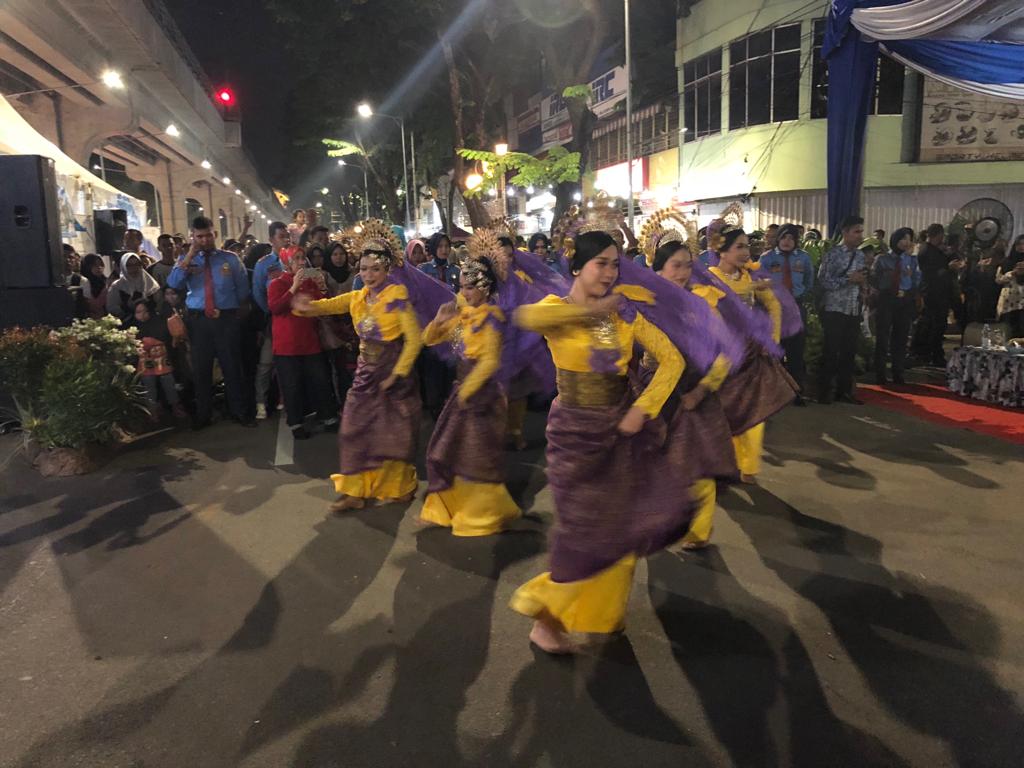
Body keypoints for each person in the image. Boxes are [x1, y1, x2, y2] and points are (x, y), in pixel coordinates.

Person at [508, 230, 690, 654]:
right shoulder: (556, 308)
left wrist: (641, 410)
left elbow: (672, 360)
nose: (610, 272)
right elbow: (526, 320)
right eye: (601, 263)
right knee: (582, 528)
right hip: (574, 431)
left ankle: (602, 614)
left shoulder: (625, 314)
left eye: (615, 264)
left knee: (620, 527)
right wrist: (591, 313)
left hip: (620, 431)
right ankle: (546, 618)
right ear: (576, 267)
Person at [294, 222, 424, 512]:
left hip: (394, 372)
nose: (368, 275)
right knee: (353, 429)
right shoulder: (357, 298)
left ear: (386, 269)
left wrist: (398, 374)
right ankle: (354, 490)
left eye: (374, 269)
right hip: (366, 373)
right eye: (363, 269)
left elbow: (414, 341)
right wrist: (308, 307)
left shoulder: (397, 297)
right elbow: (329, 305)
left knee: (394, 434)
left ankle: (400, 486)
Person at [420, 257, 521, 536]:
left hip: (483, 396)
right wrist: (438, 321)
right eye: (462, 287)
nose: (464, 293)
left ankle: (482, 514)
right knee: (447, 450)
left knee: (476, 456)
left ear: (486, 288)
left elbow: (489, 362)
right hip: (463, 393)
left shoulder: (492, 319)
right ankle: (448, 507)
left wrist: (467, 391)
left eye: (470, 288)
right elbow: (428, 340)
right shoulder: (464, 316)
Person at [649, 239, 737, 550]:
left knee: (697, 464)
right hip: (655, 393)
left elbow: (724, 354)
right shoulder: (643, 303)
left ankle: (699, 530)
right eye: (677, 264)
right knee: (657, 463)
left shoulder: (702, 306)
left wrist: (701, 390)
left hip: (692, 392)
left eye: (688, 264)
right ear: (658, 267)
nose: (684, 272)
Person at [709, 227, 790, 482]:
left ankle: (750, 465)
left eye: (747, 246)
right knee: (723, 412)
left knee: (754, 410)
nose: (746, 252)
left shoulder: (751, 277)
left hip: (751, 353)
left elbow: (774, 306)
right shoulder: (708, 278)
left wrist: (771, 339)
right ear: (721, 251)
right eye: (739, 247)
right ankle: (726, 460)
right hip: (720, 355)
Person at [166, 216, 255, 430]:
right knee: (201, 370)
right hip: (199, 323)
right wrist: (189, 256)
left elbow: (243, 290)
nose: (205, 240)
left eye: (208, 235)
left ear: (214, 234)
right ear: (193, 237)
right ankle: (203, 415)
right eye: (199, 237)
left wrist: (233, 313)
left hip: (226, 320)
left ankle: (238, 411)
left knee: (232, 366)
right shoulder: (187, 261)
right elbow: (173, 283)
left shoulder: (230, 259)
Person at [266, 246, 339, 440]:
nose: (301, 262)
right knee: (292, 385)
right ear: (286, 262)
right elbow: (275, 307)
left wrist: (322, 289)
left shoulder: (310, 281)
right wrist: (293, 288)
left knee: (320, 380)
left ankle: (328, 416)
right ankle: (296, 422)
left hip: (310, 341)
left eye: (302, 258)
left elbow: (321, 306)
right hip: (287, 345)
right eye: (296, 258)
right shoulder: (277, 283)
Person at [757, 223, 813, 405]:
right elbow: (757, 282)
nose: (787, 241)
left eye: (791, 238)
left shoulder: (803, 258)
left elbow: (809, 281)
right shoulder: (766, 258)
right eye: (784, 237)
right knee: (775, 352)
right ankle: (776, 396)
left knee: (796, 352)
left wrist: (800, 295)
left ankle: (796, 393)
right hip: (774, 310)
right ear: (778, 239)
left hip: (796, 308)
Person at [817, 215, 867, 405]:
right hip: (834, 309)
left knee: (849, 352)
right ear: (845, 233)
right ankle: (824, 392)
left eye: (861, 232)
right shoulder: (833, 254)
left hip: (853, 309)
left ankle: (844, 391)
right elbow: (823, 281)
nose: (860, 236)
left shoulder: (861, 255)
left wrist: (864, 288)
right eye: (856, 232)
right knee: (831, 351)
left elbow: (860, 279)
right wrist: (848, 280)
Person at [251, 221, 292, 419]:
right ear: (271, 240)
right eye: (281, 236)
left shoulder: (298, 258)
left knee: (292, 361)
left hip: (297, 318)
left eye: (287, 235)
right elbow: (258, 292)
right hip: (275, 319)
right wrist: (271, 310)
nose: (286, 239)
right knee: (266, 363)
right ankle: (261, 402)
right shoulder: (264, 264)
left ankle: (289, 399)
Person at [871, 228, 921, 385]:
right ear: (895, 240)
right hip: (887, 299)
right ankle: (880, 373)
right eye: (903, 238)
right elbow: (874, 278)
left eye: (909, 239)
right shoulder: (883, 259)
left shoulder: (912, 260)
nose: (906, 242)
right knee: (883, 337)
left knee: (901, 337)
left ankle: (898, 372)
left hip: (904, 300)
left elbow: (917, 281)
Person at [131, 300, 188, 422]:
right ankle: (153, 411)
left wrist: (149, 342)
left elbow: (166, 337)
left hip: (162, 359)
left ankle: (176, 407)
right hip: (145, 363)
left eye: (145, 311)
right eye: (138, 312)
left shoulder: (159, 322)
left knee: (169, 383)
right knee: (149, 386)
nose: (142, 315)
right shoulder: (132, 327)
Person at [918, 223, 964, 366]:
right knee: (936, 325)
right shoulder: (927, 251)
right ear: (938, 235)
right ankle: (934, 355)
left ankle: (928, 353)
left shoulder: (935, 250)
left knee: (935, 325)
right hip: (934, 293)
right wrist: (948, 268)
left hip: (941, 293)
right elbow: (931, 273)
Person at [107, 253, 162, 325]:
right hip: (127, 325)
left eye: (137, 264)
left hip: (152, 323)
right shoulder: (117, 286)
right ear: (123, 266)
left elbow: (159, 303)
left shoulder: (150, 283)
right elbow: (112, 308)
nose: (134, 268)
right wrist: (128, 308)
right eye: (129, 265)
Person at [996, 234, 1024, 338]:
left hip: (1022, 303)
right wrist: (1013, 273)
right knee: (1008, 331)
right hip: (1009, 303)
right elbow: (998, 279)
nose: (1022, 246)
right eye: (1019, 244)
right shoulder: (1007, 261)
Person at [78, 254, 109, 319]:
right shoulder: (83, 282)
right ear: (87, 266)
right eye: (95, 265)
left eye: (101, 265)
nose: (99, 267)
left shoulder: (106, 281)